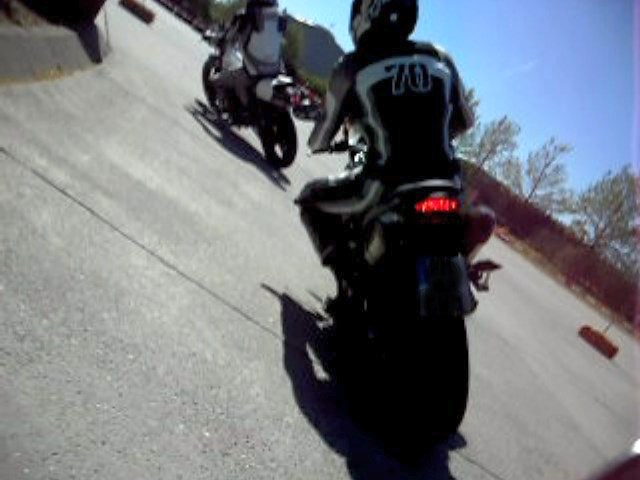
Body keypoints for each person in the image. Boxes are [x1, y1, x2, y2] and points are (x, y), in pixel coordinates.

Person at [296, 0, 496, 312]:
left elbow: (323, 132)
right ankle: (456, 270)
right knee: (471, 219)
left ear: (366, 14)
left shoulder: (352, 66)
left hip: (385, 184)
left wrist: (319, 143)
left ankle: (349, 288)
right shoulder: (439, 56)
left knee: (310, 199)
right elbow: (466, 120)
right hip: (446, 183)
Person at [210, 0, 287, 115]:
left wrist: (221, 41)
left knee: (216, 81)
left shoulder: (246, 16)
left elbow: (229, 37)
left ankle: (226, 110)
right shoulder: (280, 18)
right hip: (276, 70)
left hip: (253, 71)